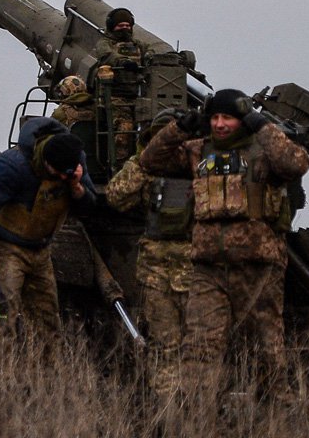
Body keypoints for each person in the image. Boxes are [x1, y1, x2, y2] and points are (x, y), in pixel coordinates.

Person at [140, 89, 309, 419]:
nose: (219, 124)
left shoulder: (264, 153)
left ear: (242, 118)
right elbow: (149, 160)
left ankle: (279, 418)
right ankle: (197, 420)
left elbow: (296, 163)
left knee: (267, 350)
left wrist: (261, 125)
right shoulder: (197, 151)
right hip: (208, 269)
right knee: (200, 348)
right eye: (214, 117)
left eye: (227, 117)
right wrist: (180, 127)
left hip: (259, 268)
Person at [0, 117, 98, 362]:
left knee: (49, 325)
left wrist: (76, 187)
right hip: (6, 250)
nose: (62, 176)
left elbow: (90, 205)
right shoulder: (15, 166)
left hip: (41, 252)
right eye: (58, 173)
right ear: (47, 163)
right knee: (1, 319)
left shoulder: (75, 160)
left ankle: (45, 388)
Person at [106, 109, 193, 419]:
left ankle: (172, 421)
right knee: (200, 353)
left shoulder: (145, 164)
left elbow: (115, 198)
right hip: (199, 272)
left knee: (166, 352)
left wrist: (143, 161)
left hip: (159, 272)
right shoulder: (203, 162)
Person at [93, 7, 151, 164]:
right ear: (112, 26)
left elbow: (150, 55)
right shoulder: (105, 43)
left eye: (127, 25)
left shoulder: (139, 45)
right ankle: (120, 165)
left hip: (138, 97)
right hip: (114, 98)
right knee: (125, 129)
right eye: (120, 26)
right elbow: (106, 56)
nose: (124, 29)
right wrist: (123, 62)